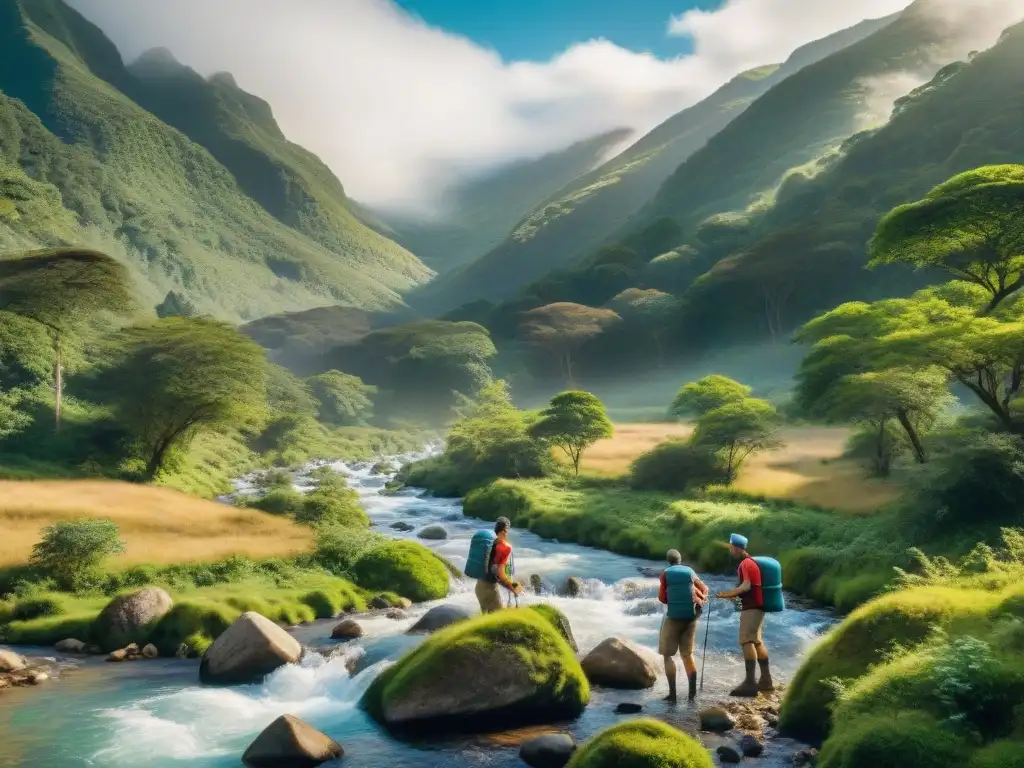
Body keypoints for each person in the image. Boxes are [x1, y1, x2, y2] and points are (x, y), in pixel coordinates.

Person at [715, 533, 773, 697]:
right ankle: (766, 681)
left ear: (737, 548)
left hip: (752, 607)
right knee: (756, 641)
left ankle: (750, 682)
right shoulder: (751, 562)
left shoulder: (746, 564)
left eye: (731, 546)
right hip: (758, 606)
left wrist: (727, 594)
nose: (729, 549)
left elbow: (746, 586)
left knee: (746, 640)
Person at [658, 549, 709, 703]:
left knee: (668, 656)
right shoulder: (690, 571)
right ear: (680, 560)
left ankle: (672, 695)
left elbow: (662, 598)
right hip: (691, 618)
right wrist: (702, 599)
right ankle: (692, 696)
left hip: (673, 618)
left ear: (669, 560)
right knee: (687, 655)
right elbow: (704, 588)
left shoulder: (665, 574)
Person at [474, 516, 523, 613]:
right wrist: (512, 586)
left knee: (486, 621)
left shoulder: (489, 543)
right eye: (507, 531)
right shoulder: (505, 548)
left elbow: (492, 569)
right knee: (499, 619)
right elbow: (500, 573)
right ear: (503, 531)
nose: (507, 534)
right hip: (489, 589)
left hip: (479, 587)